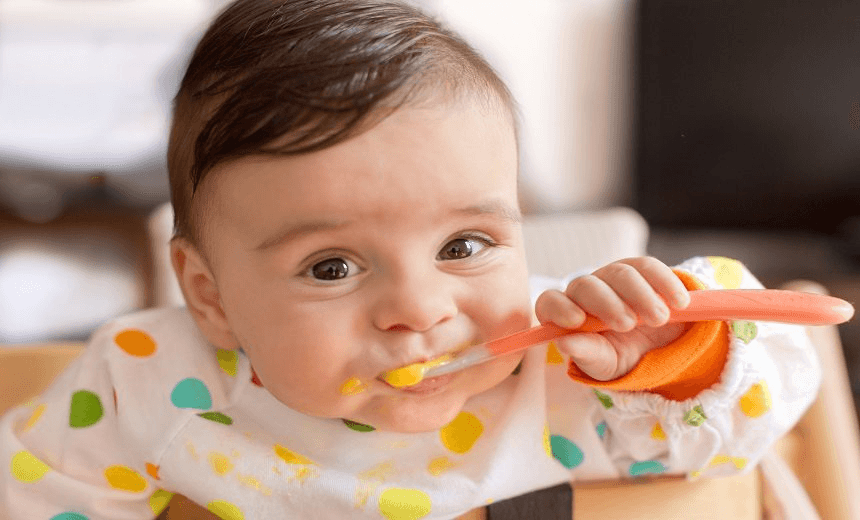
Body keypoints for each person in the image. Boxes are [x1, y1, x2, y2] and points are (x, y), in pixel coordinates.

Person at [0, 1, 820, 518]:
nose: (420, 309)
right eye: (332, 267)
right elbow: (29, 491)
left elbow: (751, 424)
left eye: (465, 246)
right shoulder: (149, 383)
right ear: (210, 298)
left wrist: (672, 361)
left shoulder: (579, 369)